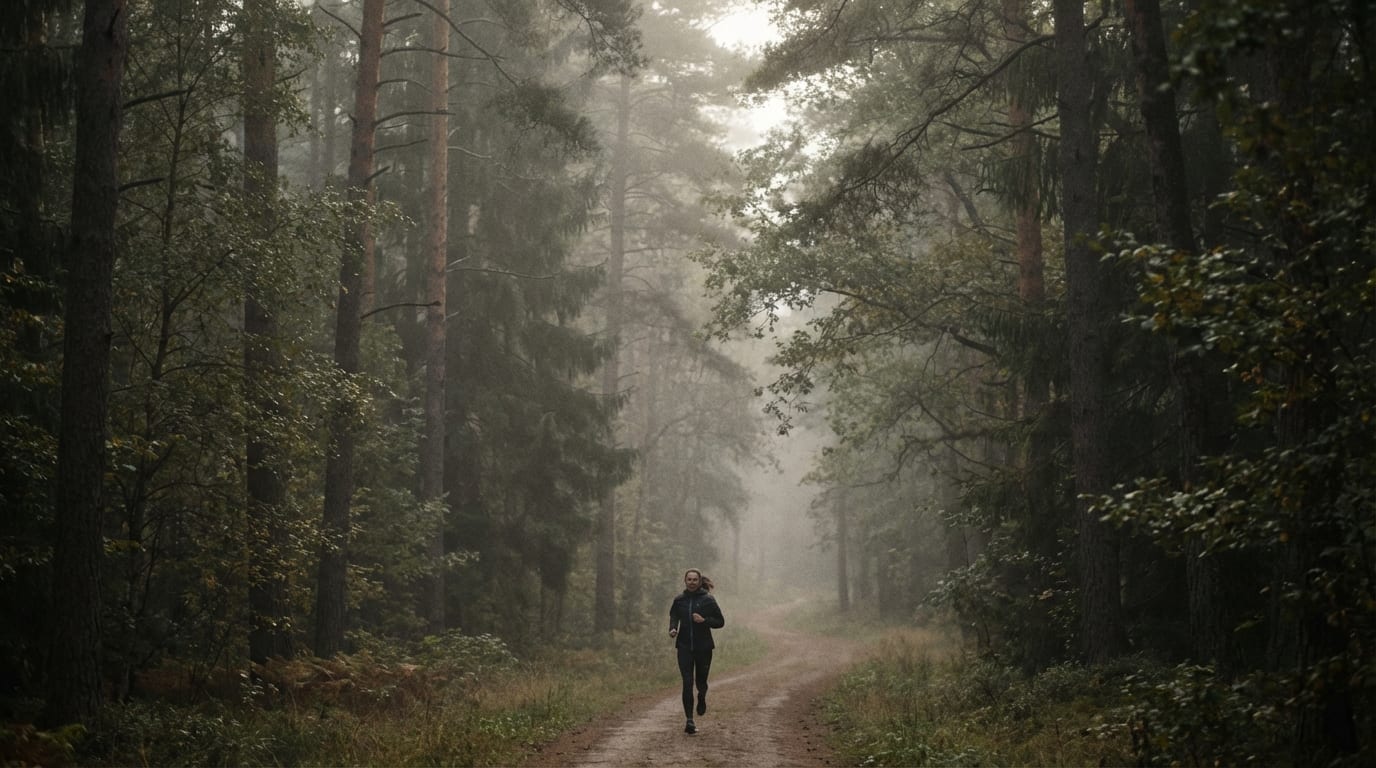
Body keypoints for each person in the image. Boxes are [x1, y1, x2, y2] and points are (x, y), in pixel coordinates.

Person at [668, 568, 724, 735]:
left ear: (699, 582)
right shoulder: (679, 600)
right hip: (684, 647)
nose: (691, 582)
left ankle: (702, 696)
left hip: (704, 648)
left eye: (694, 580)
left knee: (701, 682)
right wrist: (672, 629)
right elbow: (674, 616)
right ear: (685, 581)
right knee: (687, 682)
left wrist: (704, 620)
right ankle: (689, 720)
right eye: (689, 579)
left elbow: (720, 621)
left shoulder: (708, 600)